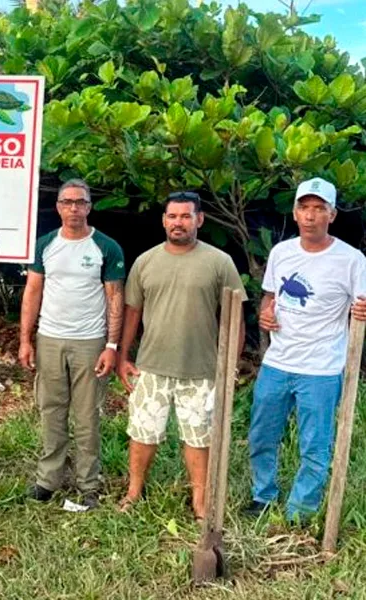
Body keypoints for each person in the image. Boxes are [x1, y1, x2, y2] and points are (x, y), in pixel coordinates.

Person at [117, 191, 246, 519]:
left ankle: (200, 502)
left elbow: (234, 317)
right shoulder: (146, 261)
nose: (179, 222)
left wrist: (230, 362)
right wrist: (122, 356)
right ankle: (134, 490)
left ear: (199, 220)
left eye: (186, 216)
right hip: (151, 365)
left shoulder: (219, 262)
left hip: (202, 369)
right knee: (143, 432)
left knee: (199, 437)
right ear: (164, 220)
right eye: (172, 216)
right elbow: (132, 312)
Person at [245, 178, 366, 525]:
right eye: (304, 208)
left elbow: (361, 305)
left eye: (319, 209)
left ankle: (300, 511)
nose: (310, 216)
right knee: (262, 434)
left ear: (332, 214)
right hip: (278, 363)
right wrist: (265, 314)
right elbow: (270, 298)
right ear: (295, 213)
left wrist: (361, 313)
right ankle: (262, 496)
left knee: (315, 445)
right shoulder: (281, 252)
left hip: (323, 368)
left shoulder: (351, 260)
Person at [19, 179, 125, 509]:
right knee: (51, 410)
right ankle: (48, 479)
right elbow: (33, 292)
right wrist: (25, 339)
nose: (74, 208)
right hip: (50, 338)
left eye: (80, 202)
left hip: (90, 342)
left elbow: (115, 297)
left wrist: (112, 345)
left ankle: (88, 484)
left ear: (89, 207)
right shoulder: (46, 245)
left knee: (87, 415)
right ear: (59, 207)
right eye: (67, 202)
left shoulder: (106, 247)